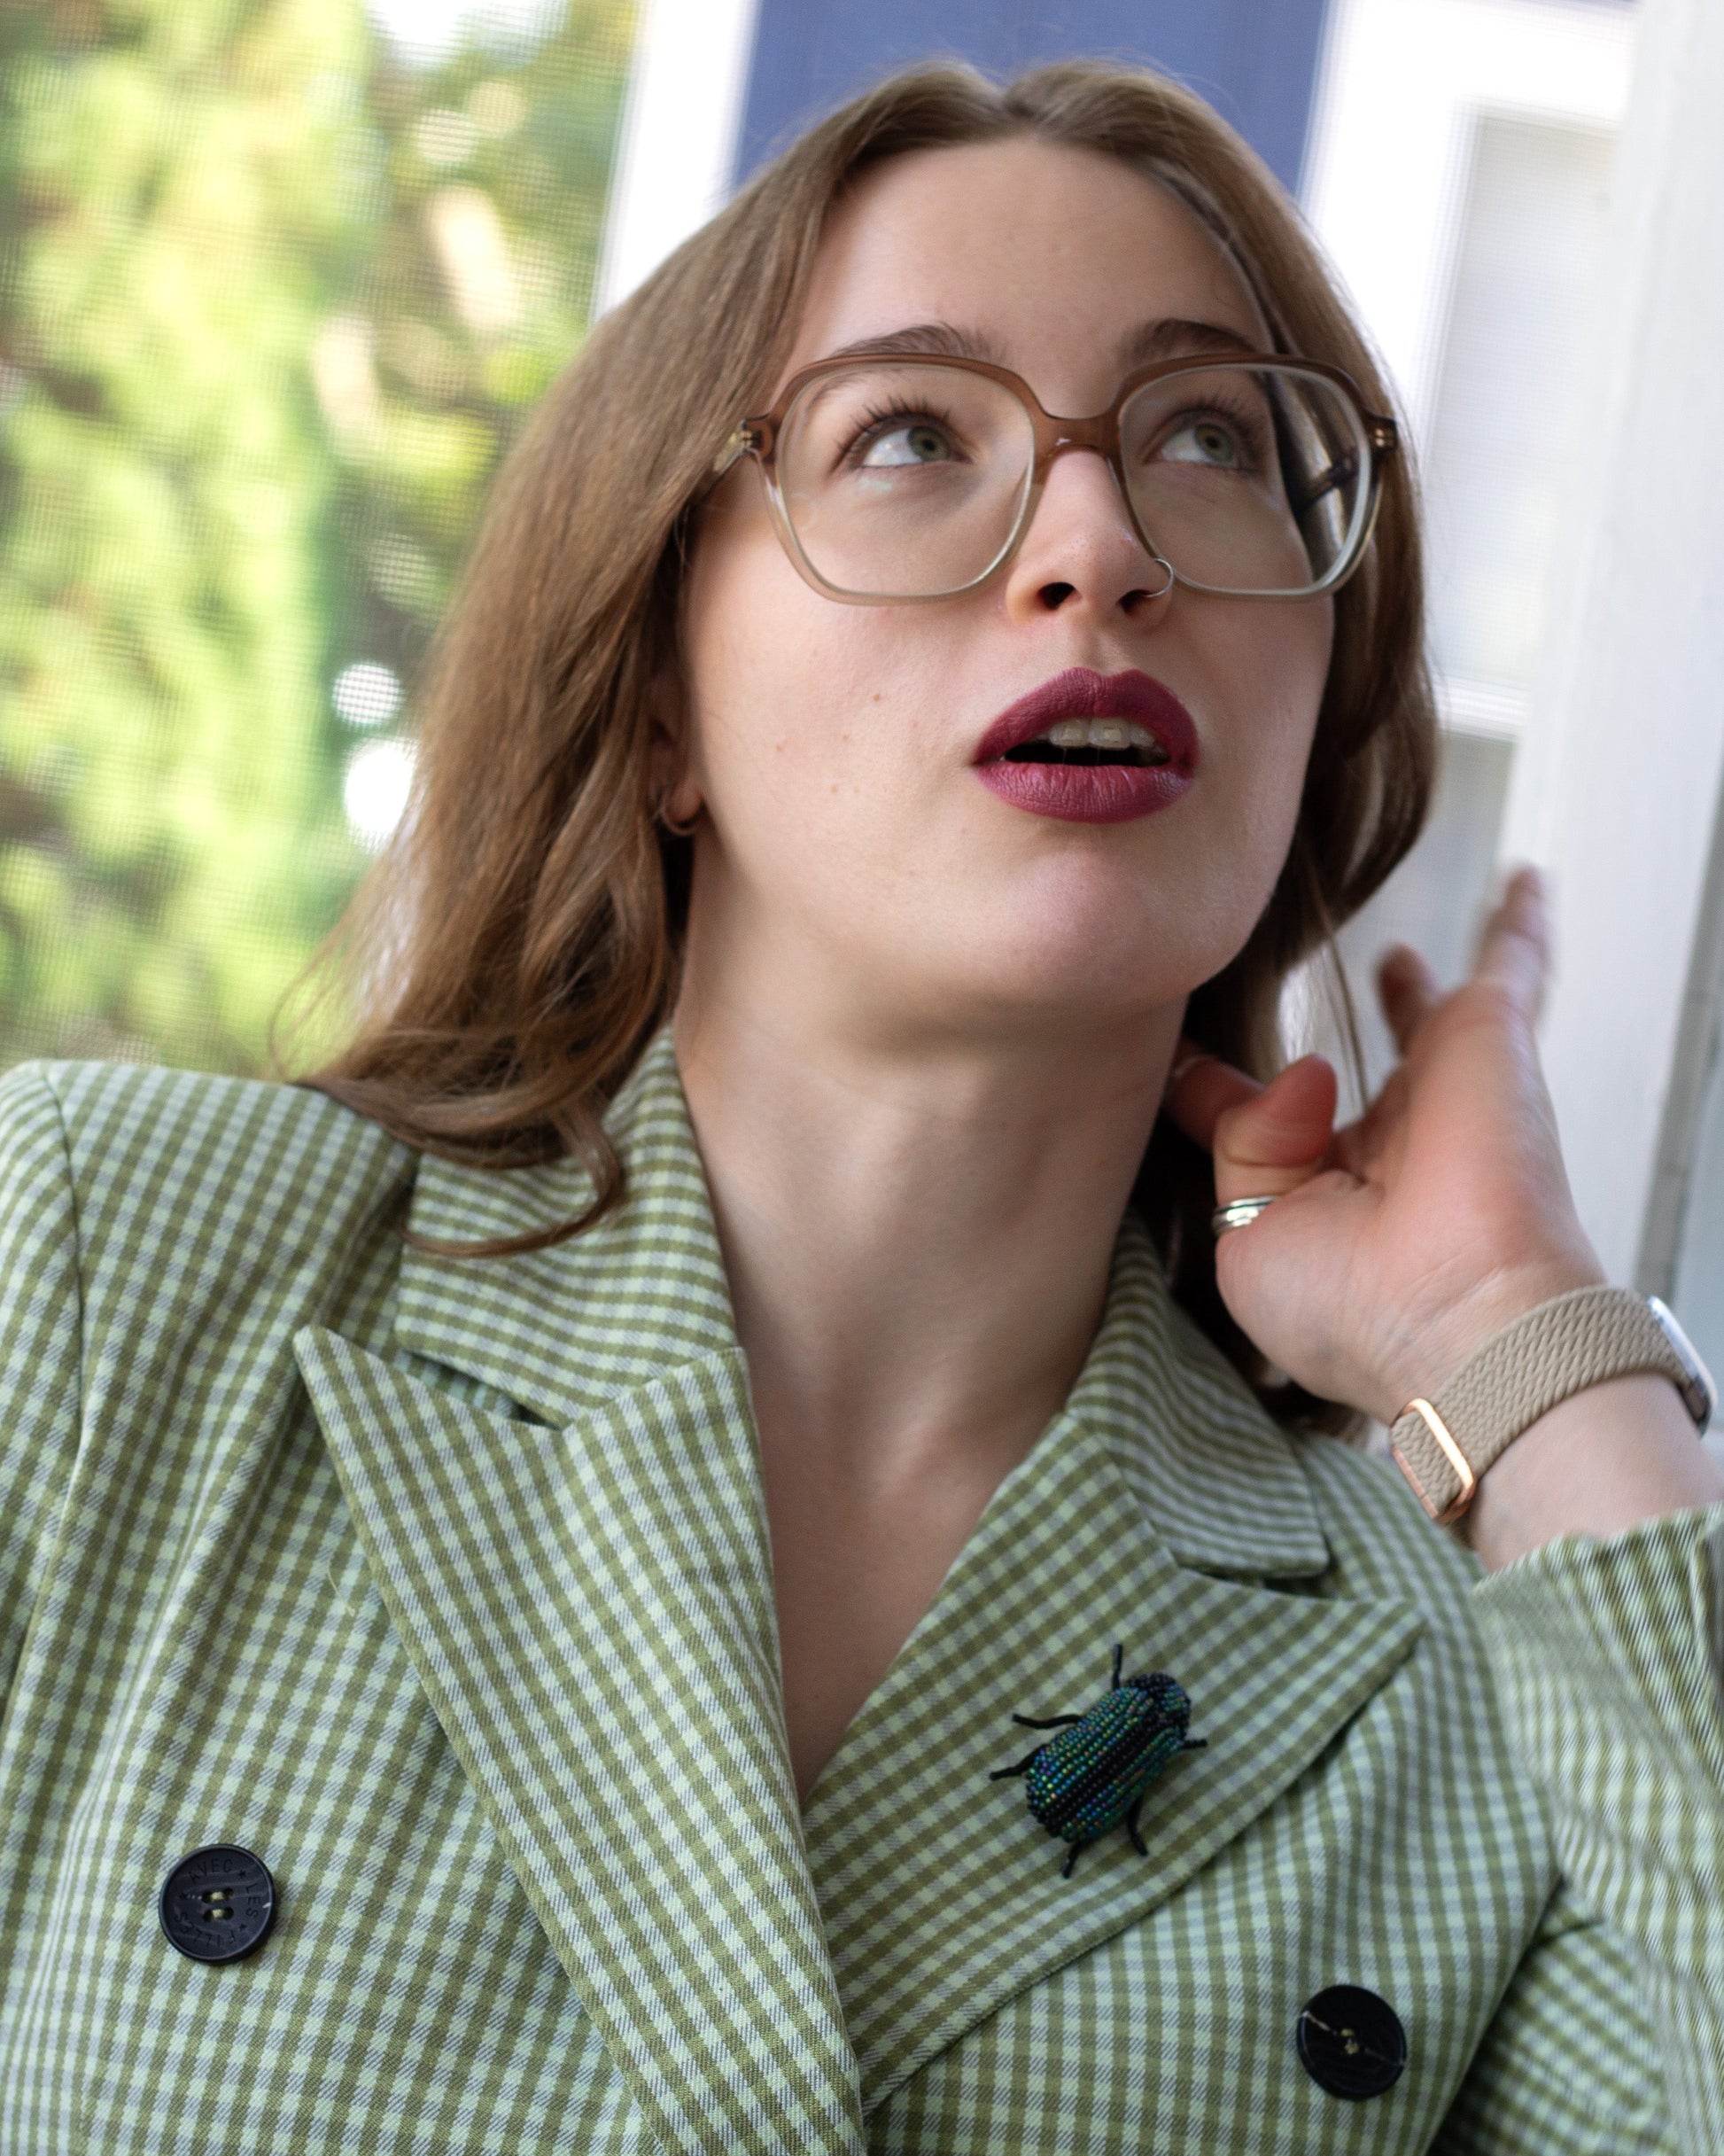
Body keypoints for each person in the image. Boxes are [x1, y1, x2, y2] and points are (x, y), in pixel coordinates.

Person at [0, 59, 1718, 2156]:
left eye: (1206, 437)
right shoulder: (108, 1267)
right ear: (656, 699)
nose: (1096, 543)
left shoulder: (1478, 1667)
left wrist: (1513, 1345)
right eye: (910, 433)